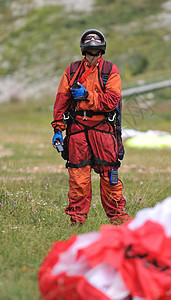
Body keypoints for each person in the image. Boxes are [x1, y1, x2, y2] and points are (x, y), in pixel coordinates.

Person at [51, 29, 130, 225]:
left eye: (96, 53)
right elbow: (61, 100)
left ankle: (118, 220)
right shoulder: (72, 71)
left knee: (110, 177)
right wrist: (58, 130)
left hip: (104, 130)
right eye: (89, 53)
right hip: (77, 129)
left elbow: (112, 101)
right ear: (83, 52)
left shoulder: (110, 71)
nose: (92, 57)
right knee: (78, 178)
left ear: (101, 52)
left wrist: (88, 96)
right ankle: (77, 222)